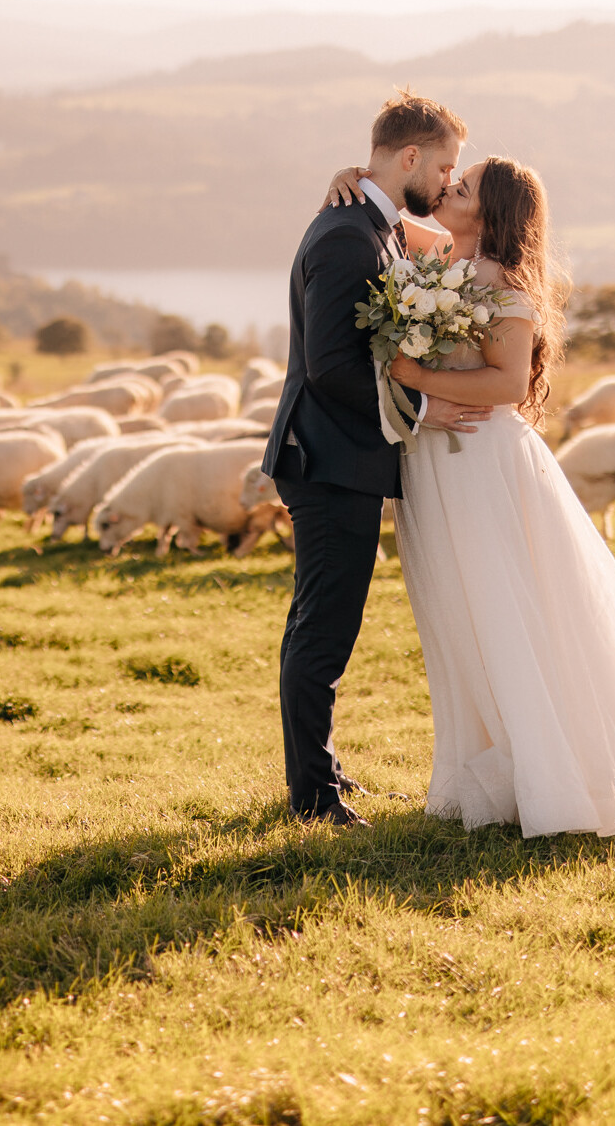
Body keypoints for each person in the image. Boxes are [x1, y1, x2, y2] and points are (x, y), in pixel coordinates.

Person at [323, 156, 615, 836]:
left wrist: (412, 377)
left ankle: (551, 768)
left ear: (489, 214)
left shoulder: (502, 283)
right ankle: (486, 763)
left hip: (482, 463)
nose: (445, 189)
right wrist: (348, 178)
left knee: (503, 607)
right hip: (431, 463)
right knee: (456, 610)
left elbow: (507, 385)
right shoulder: (439, 256)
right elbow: (383, 217)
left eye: (459, 189)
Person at [263, 92, 488, 828]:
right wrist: (423, 409)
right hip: (326, 458)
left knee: (327, 624)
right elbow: (330, 366)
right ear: (411, 157)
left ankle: (320, 773)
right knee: (322, 629)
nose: (447, 178)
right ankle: (311, 799)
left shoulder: (375, 227)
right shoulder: (344, 236)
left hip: (346, 456)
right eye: (445, 164)